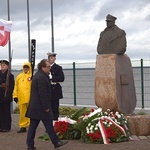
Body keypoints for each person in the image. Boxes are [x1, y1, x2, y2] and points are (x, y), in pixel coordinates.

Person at [26, 59, 68, 150]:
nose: (50, 68)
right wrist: (45, 107)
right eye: (48, 67)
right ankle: (56, 142)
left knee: (33, 127)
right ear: (42, 67)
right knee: (48, 125)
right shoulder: (41, 77)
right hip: (40, 107)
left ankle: (30, 144)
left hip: (35, 107)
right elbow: (43, 94)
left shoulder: (39, 75)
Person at [13, 62, 32, 133]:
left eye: (27, 67)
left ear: (29, 68)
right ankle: (23, 126)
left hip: (30, 98)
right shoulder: (19, 76)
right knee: (22, 113)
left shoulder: (32, 76)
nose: (26, 68)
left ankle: (31, 125)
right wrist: (15, 96)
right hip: (21, 98)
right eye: (24, 67)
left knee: (31, 112)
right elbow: (16, 87)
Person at [47, 52, 65, 121]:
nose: (52, 59)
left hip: (55, 90)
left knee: (55, 108)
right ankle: (49, 124)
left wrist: (52, 78)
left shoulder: (58, 68)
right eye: (51, 57)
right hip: (48, 89)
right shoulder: (46, 67)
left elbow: (62, 78)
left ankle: (55, 123)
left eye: (53, 57)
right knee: (48, 108)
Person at [0, 60, 14, 132]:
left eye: (4, 65)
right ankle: (1, 126)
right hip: (0, 96)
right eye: (1, 65)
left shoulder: (10, 76)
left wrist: (8, 96)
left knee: (6, 112)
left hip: (6, 96)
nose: (2, 66)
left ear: (7, 66)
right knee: (1, 112)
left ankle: (7, 127)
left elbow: (11, 87)